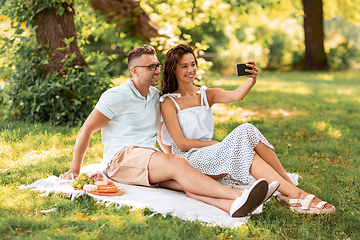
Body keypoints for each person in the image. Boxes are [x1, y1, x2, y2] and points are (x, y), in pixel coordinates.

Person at [60, 44, 272, 218]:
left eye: (157, 65)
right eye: (151, 67)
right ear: (135, 70)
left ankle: (230, 207)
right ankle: (239, 195)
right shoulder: (116, 96)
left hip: (148, 158)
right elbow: (86, 130)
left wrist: (167, 153)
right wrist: (75, 169)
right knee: (179, 164)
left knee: (185, 180)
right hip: (121, 158)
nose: (157, 70)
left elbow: (162, 130)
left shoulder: (155, 97)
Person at [159, 44, 336, 215]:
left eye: (193, 64)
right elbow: (181, 145)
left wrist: (251, 80)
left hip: (213, 153)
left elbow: (236, 95)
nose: (191, 70)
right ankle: (295, 194)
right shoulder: (168, 102)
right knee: (244, 132)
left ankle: (291, 191)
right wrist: (216, 144)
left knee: (247, 131)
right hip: (190, 159)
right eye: (184, 66)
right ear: (173, 69)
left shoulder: (205, 94)